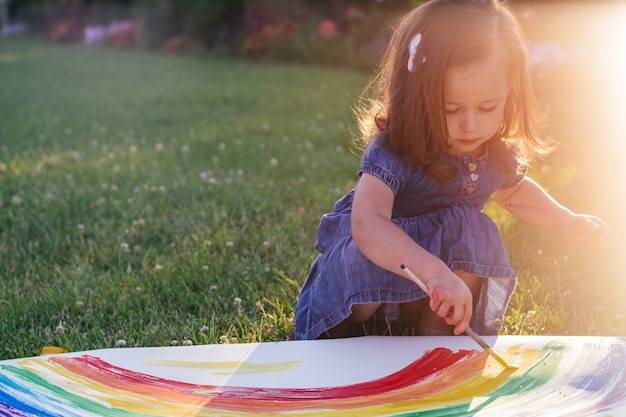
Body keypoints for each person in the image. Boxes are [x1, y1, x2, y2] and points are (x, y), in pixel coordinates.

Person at [294, 0, 608, 340]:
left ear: (509, 92)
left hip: (432, 293)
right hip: (375, 273)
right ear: (415, 97)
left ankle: (438, 340)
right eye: (450, 109)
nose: (470, 125)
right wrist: (432, 272)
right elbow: (368, 224)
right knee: (365, 262)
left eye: (487, 107)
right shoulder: (395, 148)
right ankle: (335, 337)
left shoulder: (493, 152)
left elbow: (516, 192)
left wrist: (565, 220)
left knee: (474, 230)